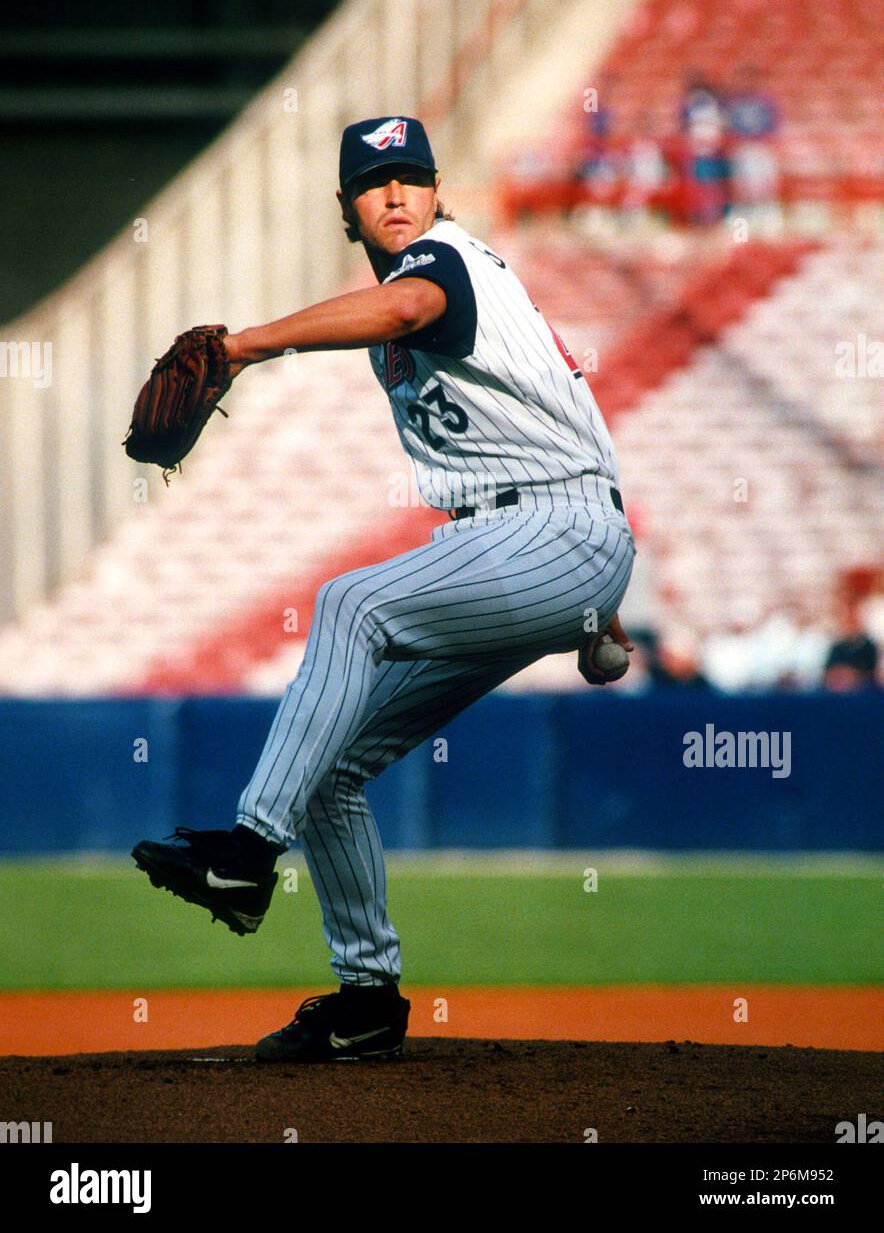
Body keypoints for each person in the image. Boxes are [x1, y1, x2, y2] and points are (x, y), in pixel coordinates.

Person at [132, 115, 636, 1063]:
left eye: (413, 175)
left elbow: (409, 312)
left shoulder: (444, 261)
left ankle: (244, 856)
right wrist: (598, 616)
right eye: (376, 182)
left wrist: (243, 346)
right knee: (334, 768)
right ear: (347, 209)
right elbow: (557, 422)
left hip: (557, 527)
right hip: (542, 536)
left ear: (439, 193)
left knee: (349, 604)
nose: (397, 193)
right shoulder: (425, 311)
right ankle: (367, 997)